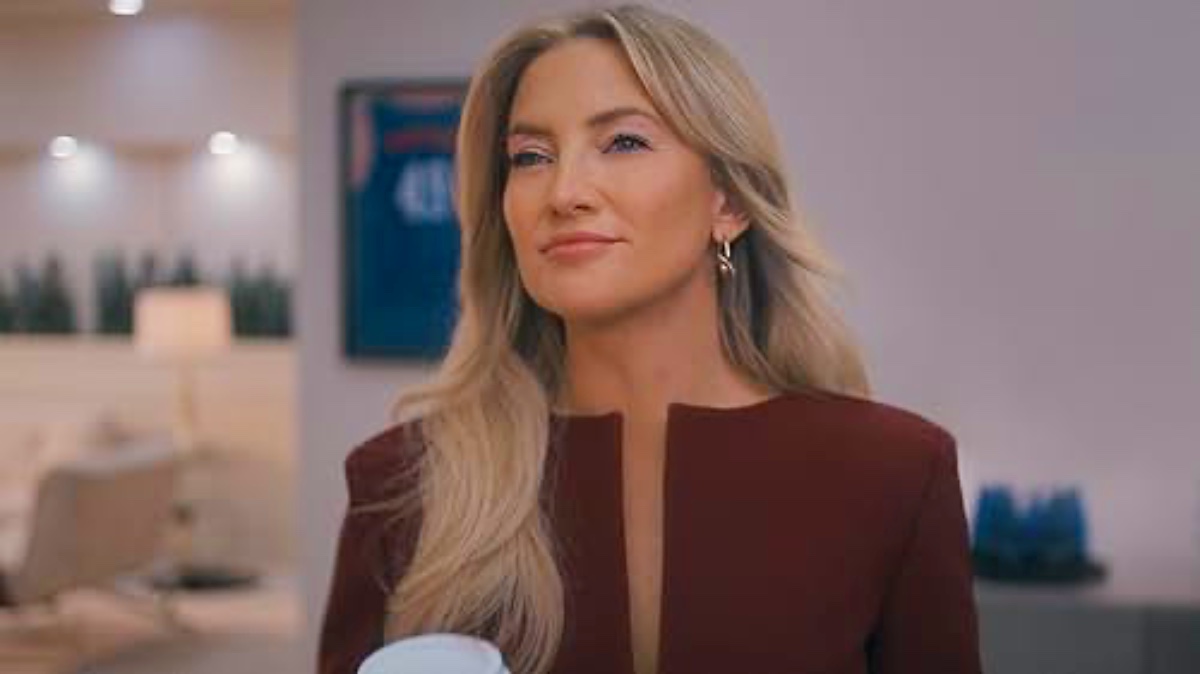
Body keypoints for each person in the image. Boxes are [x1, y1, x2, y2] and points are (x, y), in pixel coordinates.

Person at [319, 5, 982, 674]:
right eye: (530, 157)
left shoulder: (896, 475)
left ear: (730, 201)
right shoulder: (404, 485)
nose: (564, 192)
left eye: (624, 143)